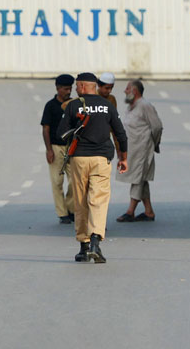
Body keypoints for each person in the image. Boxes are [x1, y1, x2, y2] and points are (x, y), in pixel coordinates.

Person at [60, 72, 128, 264]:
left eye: (76, 86)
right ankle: (96, 243)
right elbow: (121, 134)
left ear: (82, 87)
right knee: (98, 199)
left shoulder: (73, 105)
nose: (74, 89)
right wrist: (124, 157)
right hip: (101, 158)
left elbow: (60, 133)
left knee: (81, 200)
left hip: (79, 158)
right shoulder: (107, 105)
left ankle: (83, 246)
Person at [116, 79, 163, 222]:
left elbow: (157, 127)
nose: (125, 91)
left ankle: (130, 211)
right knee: (141, 179)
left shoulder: (145, 105)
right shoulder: (132, 106)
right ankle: (149, 212)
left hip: (142, 149)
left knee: (137, 179)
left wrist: (152, 143)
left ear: (134, 91)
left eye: (127, 88)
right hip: (132, 150)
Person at [40, 74, 76, 223]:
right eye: (66, 89)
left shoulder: (74, 105)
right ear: (58, 88)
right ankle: (62, 213)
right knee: (57, 181)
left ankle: (71, 207)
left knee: (75, 180)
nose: (68, 92)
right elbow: (46, 129)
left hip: (72, 147)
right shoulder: (50, 106)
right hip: (56, 147)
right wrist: (49, 150)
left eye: (70, 88)